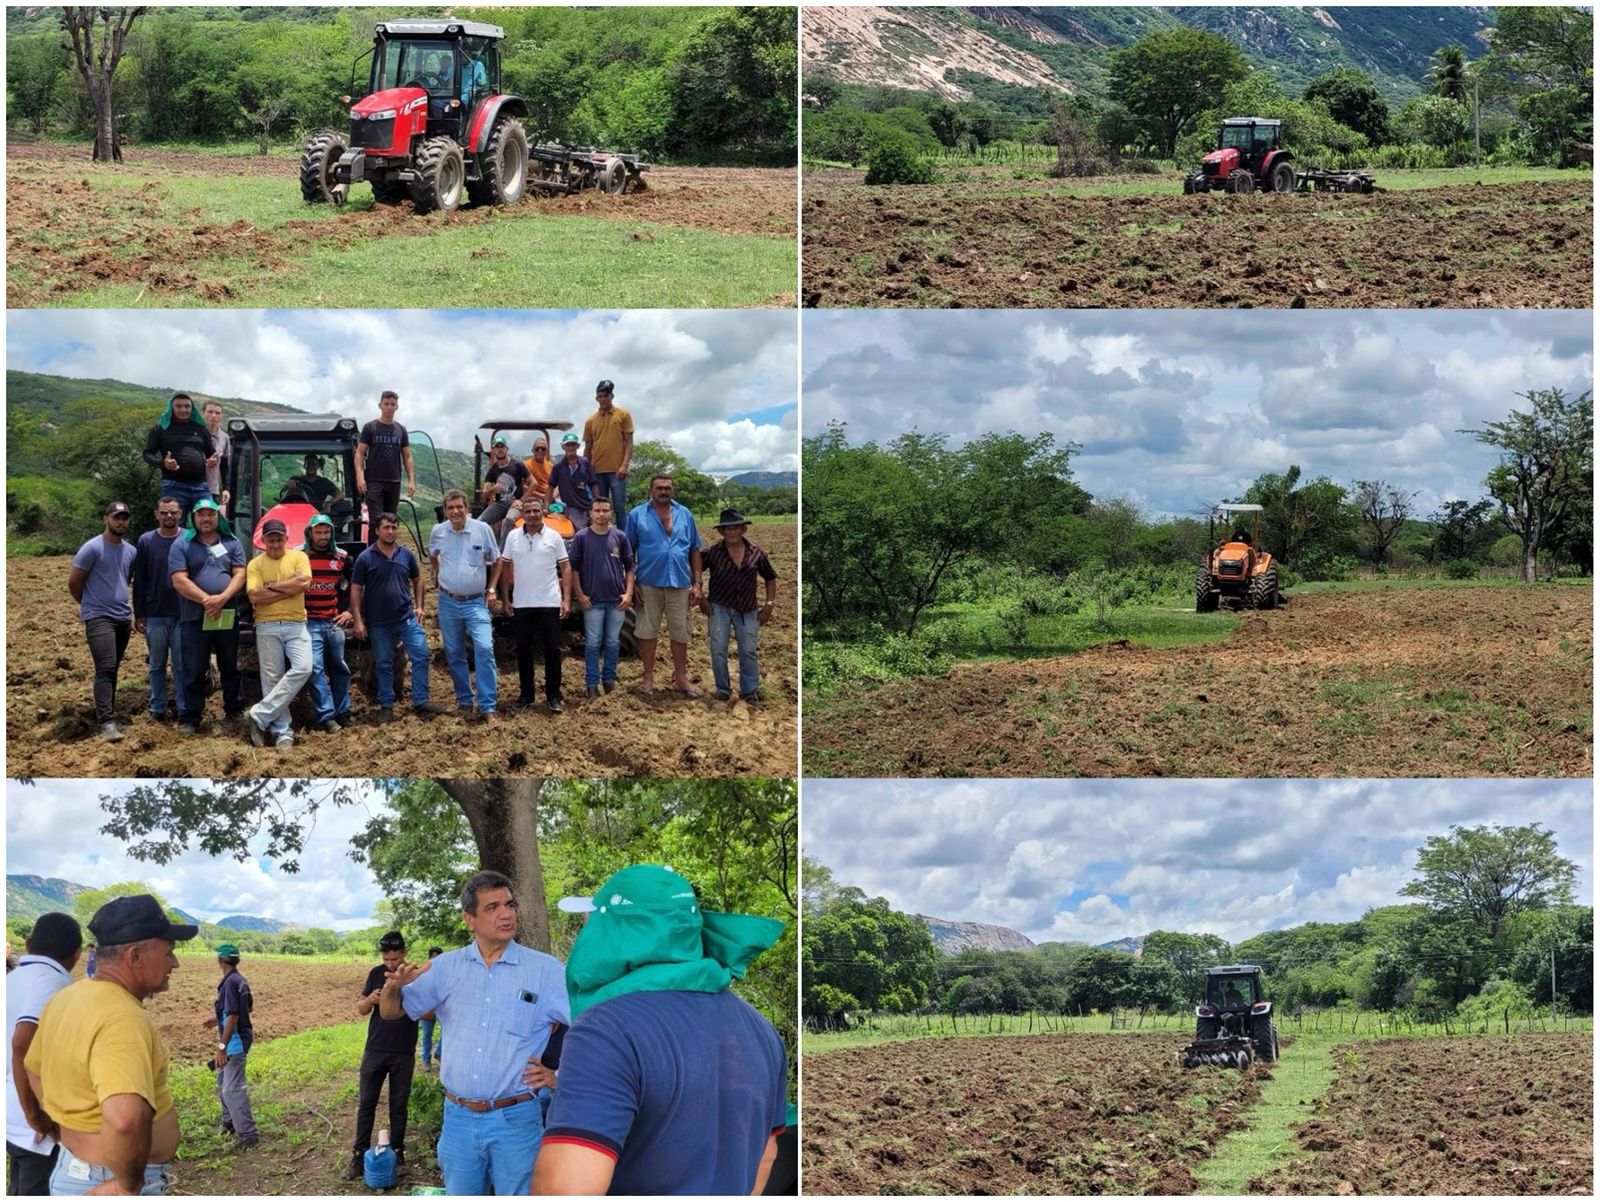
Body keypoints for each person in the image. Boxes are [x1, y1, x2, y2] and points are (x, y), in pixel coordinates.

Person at [533, 865, 787, 1195]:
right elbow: (765, 1156)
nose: (586, 934)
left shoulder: (605, 1030)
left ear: (617, 931)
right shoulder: (761, 1030)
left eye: (593, 923)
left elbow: (565, 1187)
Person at [380, 871, 569, 1197]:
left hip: (517, 1120)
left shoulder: (546, 970)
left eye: (509, 904)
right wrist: (392, 987)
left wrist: (558, 1075)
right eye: (492, 907)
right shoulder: (445, 968)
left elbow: (592, 1026)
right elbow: (392, 1012)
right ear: (470, 919)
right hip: (458, 1120)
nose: (506, 913)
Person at [24, 894, 199, 1196]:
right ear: (135, 957)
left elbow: (33, 1069)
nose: (176, 963)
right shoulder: (121, 1018)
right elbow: (126, 1119)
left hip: (75, 1169)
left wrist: (64, 1127)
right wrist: (126, 1184)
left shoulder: (68, 997)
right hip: (107, 1181)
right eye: (169, 952)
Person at [6, 913, 83, 1195]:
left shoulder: (13, 979)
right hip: (36, 1128)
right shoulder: (52, 983)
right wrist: (35, 1115)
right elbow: (21, 1043)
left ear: (27, 944)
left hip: (13, 1117)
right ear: (77, 953)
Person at [351, 513, 441, 723]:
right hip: (379, 622)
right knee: (383, 662)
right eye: (386, 528)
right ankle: (386, 705)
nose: (390, 531)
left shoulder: (406, 555)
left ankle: (421, 700)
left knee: (421, 654)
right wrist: (358, 619)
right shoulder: (366, 557)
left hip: (405, 617)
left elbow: (418, 580)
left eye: (393, 527)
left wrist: (419, 606)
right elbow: (355, 589)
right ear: (377, 531)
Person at [168, 498, 247, 735]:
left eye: (210, 514)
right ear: (193, 518)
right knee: (193, 668)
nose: (206, 519)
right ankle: (191, 717)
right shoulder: (182, 544)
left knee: (230, 664)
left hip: (226, 615)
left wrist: (222, 599)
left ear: (218, 518)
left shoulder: (232, 542)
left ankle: (234, 710)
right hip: (194, 616)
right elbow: (179, 580)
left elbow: (240, 574)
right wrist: (207, 600)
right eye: (200, 514)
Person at [346, 932, 419, 1180]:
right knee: (366, 1104)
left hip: (403, 1052)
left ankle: (397, 1153)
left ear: (404, 953)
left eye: (395, 958)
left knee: (399, 1105)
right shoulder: (375, 973)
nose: (390, 964)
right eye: (386, 959)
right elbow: (360, 1009)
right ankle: (358, 1156)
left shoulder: (414, 975)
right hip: (375, 1049)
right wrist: (370, 999)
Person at [625, 475, 703, 697]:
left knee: (680, 632)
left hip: (679, 582)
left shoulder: (685, 514)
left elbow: (694, 549)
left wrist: (697, 583)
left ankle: (680, 678)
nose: (664, 491)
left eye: (668, 487)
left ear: (673, 490)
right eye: (659, 488)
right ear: (650, 490)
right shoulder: (637, 515)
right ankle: (648, 677)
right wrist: (633, 583)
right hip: (648, 582)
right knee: (647, 631)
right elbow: (628, 552)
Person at [429, 488, 501, 722]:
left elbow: (497, 560)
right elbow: (433, 555)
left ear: (467, 508)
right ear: (446, 511)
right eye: (450, 508)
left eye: (459, 506)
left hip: (475, 602)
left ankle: (488, 704)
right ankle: (464, 701)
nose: (455, 511)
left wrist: (491, 589)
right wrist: (439, 576)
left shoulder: (482, 530)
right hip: (448, 601)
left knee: (484, 648)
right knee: (454, 652)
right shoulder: (438, 532)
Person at [69, 501, 138, 742]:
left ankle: (107, 711)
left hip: (122, 617)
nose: (121, 522)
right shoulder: (92, 548)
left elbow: (126, 578)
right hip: (99, 617)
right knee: (106, 667)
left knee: (113, 667)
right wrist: (89, 606)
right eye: (116, 517)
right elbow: (74, 583)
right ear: (105, 519)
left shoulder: (130, 551)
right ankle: (106, 721)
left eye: (124, 518)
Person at [494, 496, 570, 713]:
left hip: (549, 601)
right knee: (523, 649)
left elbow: (565, 568)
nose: (532, 515)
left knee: (553, 650)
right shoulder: (512, 537)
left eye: (536, 511)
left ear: (542, 512)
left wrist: (565, 599)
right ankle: (526, 695)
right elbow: (505, 566)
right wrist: (506, 598)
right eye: (528, 511)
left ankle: (553, 695)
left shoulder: (554, 537)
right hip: (522, 603)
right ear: (523, 514)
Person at [244, 518, 313, 749]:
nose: (275, 544)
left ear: (286, 539)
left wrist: (271, 586)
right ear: (263, 541)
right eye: (270, 540)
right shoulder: (255, 564)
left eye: (279, 539)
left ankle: (259, 715)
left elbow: (304, 582)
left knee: (304, 667)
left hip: (296, 623)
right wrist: (287, 587)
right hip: (267, 625)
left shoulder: (299, 557)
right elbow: (254, 596)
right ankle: (283, 732)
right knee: (272, 679)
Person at [700, 508, 779, 703]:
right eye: (727, 528)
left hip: (748, 608)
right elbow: (694, 572)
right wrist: (700, 596)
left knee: (748, 650)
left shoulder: (756, 553)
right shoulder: (712, 552)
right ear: (721, 532)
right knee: (718, 648)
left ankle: (749, 691)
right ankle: (723, 689)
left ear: (743, 529)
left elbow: (770, 578)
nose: (732, 532)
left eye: (736, 528)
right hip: (719, 606)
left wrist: (769, 605)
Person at [567, 496, 635, 698]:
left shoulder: (620, 537)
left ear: (610, 513)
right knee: (593, 643)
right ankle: (591, 684)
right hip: (593, 601)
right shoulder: (581, 537)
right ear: (590, 513)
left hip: (616, 601)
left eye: (605, 510)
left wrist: (629, 592)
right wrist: (579, 594)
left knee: (613, 642)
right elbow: (574, 568)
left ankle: (609, 680)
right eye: (597, 510)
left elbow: (630, 567)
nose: (601, 514)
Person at [133, 498, 188, 724]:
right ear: (156, 514)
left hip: (183, 612)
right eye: (164, 513)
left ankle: (184, 708)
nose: (169, 517)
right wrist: (139, 613)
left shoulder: (188, 538)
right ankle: (158, 707)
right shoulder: (146, 541)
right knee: (156, 664)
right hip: (155, 613)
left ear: (180, 514)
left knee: (181, 664)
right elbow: (140, 579)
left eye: (173, 513)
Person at [303, 515, 354, 734]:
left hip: (333, 622)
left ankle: (343, 712)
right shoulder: (300, 557)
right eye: (318, 532)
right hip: (309, 622)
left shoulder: (342, 557)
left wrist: (349, 611)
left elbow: (357, 586)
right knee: (315, 668)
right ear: (310, 534)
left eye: (326, 532)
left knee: (340, 667)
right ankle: (327, 715)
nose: (323, 537)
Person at [205, 943, 258, 1150]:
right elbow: (248, 1007)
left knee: (232, 1089)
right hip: (238, 1036)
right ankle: (229, 1123)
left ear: (220, 961)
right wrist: (217, 1017)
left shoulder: (229, 983)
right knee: (221, 1080)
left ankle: (248, 1134)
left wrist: (221, 1047)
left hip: (234, 1041)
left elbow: (234, 1015)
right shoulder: (239, 981)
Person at [355, 392, 415, 545]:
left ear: (397, 407)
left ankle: (389, 552)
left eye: (392, 404)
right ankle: (373, 556)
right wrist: (359, 477)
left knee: (390, 520)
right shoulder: (370, 427)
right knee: (376, 521)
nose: (389, 407)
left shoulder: (401, 430)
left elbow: (407, 456)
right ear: (380, 405)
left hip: (394, 480)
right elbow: (360, 453)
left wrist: (411, 480)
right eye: (386, 404)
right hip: (374, 480)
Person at [141, 393, 214, 518]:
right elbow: (147, 454)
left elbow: (211, 453)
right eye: (178, 406)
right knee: (172, 524)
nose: (183, 410)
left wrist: (212, 460)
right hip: (173, 486)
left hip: (200, 486)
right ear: (171, 407)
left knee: (209, 522)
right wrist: (162, 464)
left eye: (187, 406)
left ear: (192, 409)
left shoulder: (201, 429)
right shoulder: (160, 429)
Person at [582, 380, 633, 518]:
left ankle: (623, 537)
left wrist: (625, 465)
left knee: (619, 506)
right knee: (599, 507)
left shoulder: (623, 415)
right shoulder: (590, 421)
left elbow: (629, 442)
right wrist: (586, 469)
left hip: (617, 470)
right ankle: (602, 537)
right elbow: (588, 447)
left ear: (612, 396)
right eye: (600, 396)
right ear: (596, 398)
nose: (603, 399)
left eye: (606, 395)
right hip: (597, 470)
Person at [479, 435, 532, 538]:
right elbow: (485, 493)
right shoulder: (493, 469)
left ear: (506, 449)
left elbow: (533, 483)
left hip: (515, 503)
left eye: (502, 447)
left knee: (508, 520)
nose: (500, 449)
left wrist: (522, 500)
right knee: (480, 522)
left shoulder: (517, 465)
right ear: (493, 450)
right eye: (497, 447)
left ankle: (503, 551)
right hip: (500, 503)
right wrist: (493, 489)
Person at [547, 432, 597, 533]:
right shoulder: (558, 467)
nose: (570, 447)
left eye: (573, 444)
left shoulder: (585, 463)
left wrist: (596, 503)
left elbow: (593, 484)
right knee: (578, 532)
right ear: (563, 447)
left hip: (586, 504)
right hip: (570, 506)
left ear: (577, 446)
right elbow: (551, 487)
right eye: (568, 445)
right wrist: (547, 506)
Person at [200, 400, 231, 512]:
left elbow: (224, 466)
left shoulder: (224, 438)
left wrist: (226, 489)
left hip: (212, 490)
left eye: (217, 413)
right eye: (210, 412)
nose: (213, 416)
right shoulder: (195, 434)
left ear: (221, 416)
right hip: (193, 485)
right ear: (203, 413)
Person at [419, 948, 444, 1073]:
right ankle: (425, 1060)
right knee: (426, 1035)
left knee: (447, 1031)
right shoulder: (423, 972)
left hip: (441, 1008)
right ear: (429, 958)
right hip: (427, 1008)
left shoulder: (447, 974)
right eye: (434, 958)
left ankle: (439, 1052)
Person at [523, 436, 553, 501]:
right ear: (533, 450)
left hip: (549, 497)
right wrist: (542, 496)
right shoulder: (526, 465)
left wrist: (551, 496)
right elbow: (523, 487)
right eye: (537, 448)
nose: (540, 450)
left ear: (547, 451)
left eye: (543, 448)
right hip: (532, 497)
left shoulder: (550, 466)